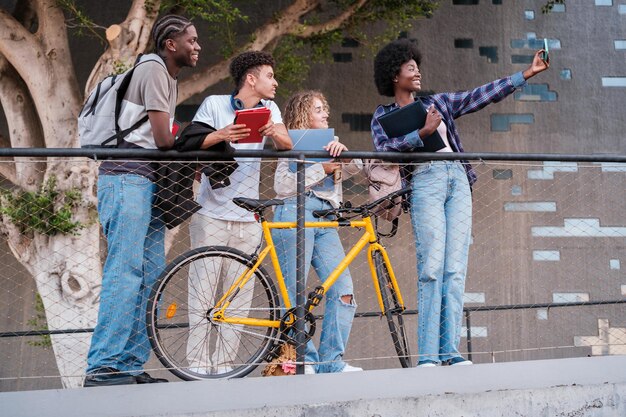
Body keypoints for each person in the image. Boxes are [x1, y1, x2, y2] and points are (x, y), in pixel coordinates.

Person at [370, 39, 549, 367]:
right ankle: (427, 358)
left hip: (457, 181)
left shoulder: (437, 102)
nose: (417, 72)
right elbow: (384, 152)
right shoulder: (383, 115)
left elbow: (478, 95)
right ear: (394, 75)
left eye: (417, 66)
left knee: (455, 269)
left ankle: (450, 352)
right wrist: (422, 134)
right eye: (411, 68)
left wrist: (526, 73)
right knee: (432, 267)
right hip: (425, 182)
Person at [84, 15, 202, 387]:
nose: (197, 46)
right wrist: (202, 140)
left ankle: (130, 365)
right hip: (125, 180)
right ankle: (104, 367)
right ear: (171, 44)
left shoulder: (166, 76)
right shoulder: (152, 68)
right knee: (125, 270)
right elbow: (164, 140)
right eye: (192, 40)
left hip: (147, 181)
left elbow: (160, 139)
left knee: (150, 274)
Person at [186, 51, 292, 374]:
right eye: (270, 76)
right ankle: (198, 367)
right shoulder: (215, 105)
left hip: (249, 217)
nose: (274, 83)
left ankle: (226, 367)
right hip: (211, 214)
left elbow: (288, 144)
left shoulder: (270, 109)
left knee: (239, 298)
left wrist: (275, 134)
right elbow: (190, 142)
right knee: (202, 293)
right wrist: (222, 135)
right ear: (251, 79)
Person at [272, 90, 363, 374]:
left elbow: (353, 170)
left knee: (343, 290)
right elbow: (282, 186)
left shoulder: (330, 143)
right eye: (319, 109)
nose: (326, 114)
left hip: (325, 216)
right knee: (293, 291)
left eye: (326, 109)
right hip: (293, 210)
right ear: (304, 115)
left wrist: (344, 157)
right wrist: (319, 169)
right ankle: (305, 360)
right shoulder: (292, 142)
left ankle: (331, 362)